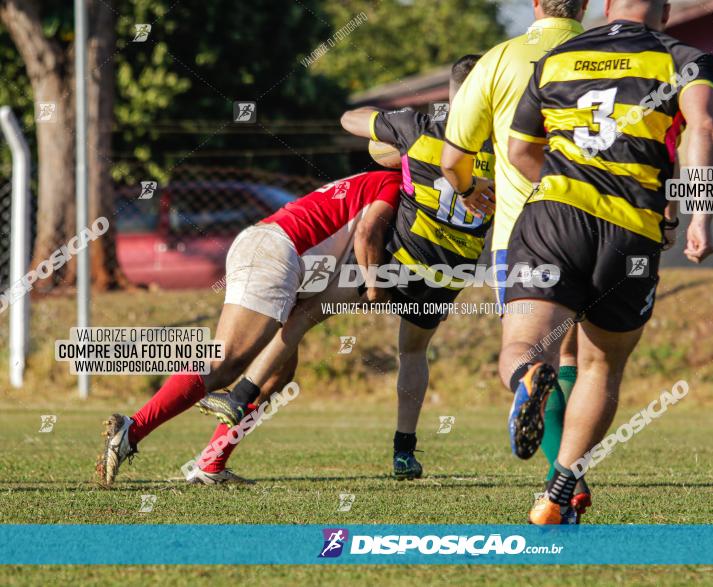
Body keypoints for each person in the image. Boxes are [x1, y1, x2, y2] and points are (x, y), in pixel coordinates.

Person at [196, 55, 495, 482]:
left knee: (304, 315)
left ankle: (242, 394)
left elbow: (350, 119)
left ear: (451, 93)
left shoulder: (420, 129)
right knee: (412, 352)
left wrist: (387, 126)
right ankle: (403, 452)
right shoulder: (503, 144)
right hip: (451, 273)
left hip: (400, 259)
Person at [504, 0, 713, 524]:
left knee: (526, 345)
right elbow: (706, 131)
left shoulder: (557, 57)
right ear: (666, 12)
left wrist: (562, 189)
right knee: (602, 367)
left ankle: (530, 375)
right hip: (631, 230)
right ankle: (557, 496)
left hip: (554, 216)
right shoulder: (683, 56)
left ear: (605, 7)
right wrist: (699, 218)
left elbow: (519, 150)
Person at [97, 171, 401, 487]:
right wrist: (378, 289)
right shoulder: (395, 182)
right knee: (225, 362)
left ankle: (211, 463)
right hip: (277, 253)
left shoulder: (381, 178)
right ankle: (131, 430)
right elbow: (366, 234)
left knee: (275, 376)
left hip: (279, 254)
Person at [439, 0, 590, 521]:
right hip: (597, 226)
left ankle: (531, 393)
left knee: (524, 352)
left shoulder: (499, 59)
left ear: (534, 5)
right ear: (586, 5)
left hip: (523, 232)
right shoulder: (604, 56)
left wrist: (469, 188)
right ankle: (563, 486)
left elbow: (452, 159)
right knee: (574, 359)